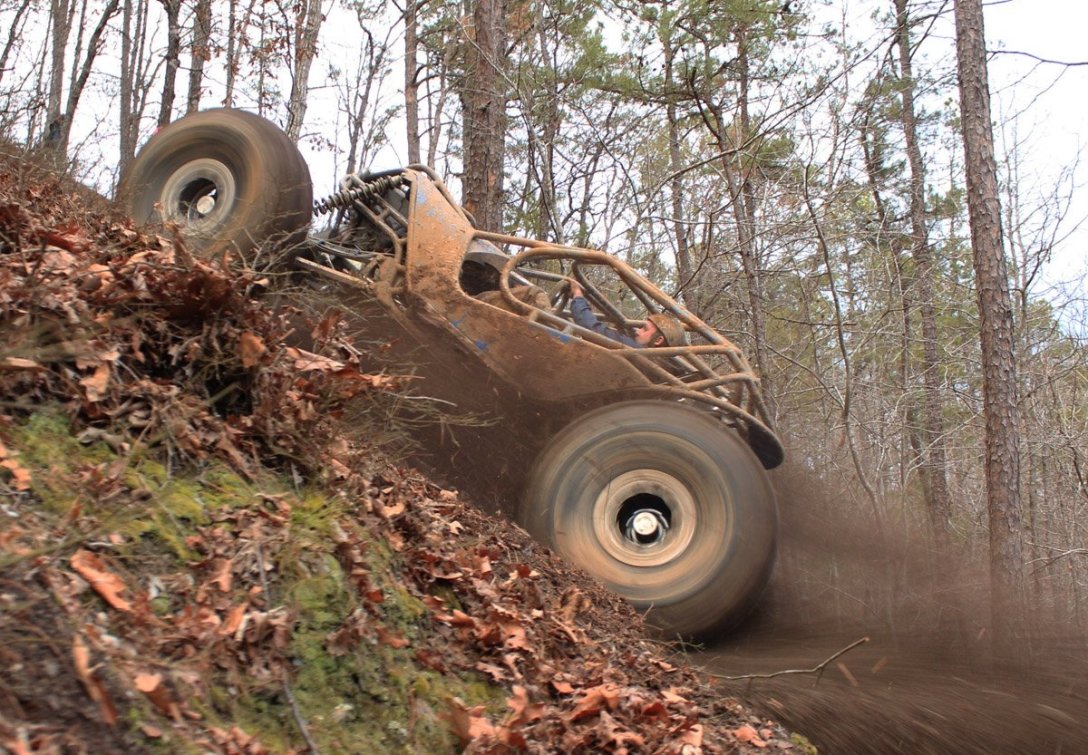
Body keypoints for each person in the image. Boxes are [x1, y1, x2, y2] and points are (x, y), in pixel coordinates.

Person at [566, 278, 685, 348]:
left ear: (658, 340)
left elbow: (591, 329)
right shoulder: (662, 363)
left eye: (645, 329)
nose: (638, 331)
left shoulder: (633, 350)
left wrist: (578, 295)